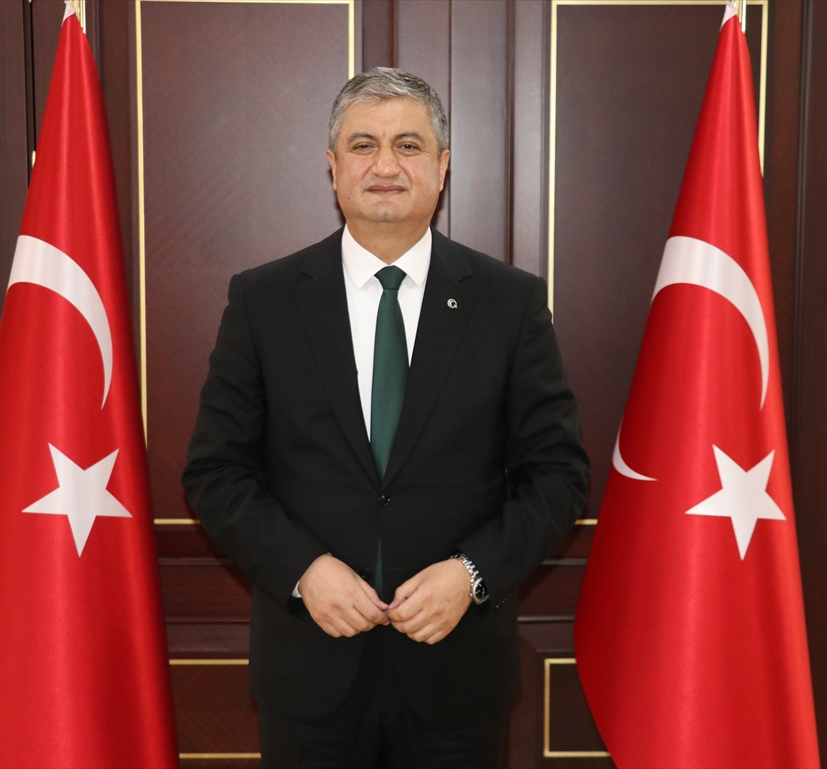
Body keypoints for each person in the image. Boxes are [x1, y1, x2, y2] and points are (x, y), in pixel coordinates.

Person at [182, 67, 589, 768]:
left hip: (457, 677)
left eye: (408, 145)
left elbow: (559, 476)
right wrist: (303, 569)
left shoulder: (509, 303)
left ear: (442, 166)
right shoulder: (263, 301)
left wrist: (472, 573)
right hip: (309, 677)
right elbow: (215, 472)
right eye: (363, 145)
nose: (385, 166)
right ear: (333, 166)